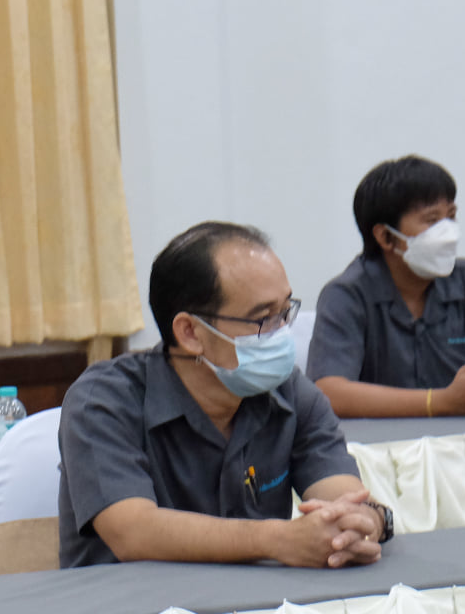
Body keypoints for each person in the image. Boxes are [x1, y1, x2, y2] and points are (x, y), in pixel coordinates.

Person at [59, 222, 393, 569]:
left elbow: (343, 497)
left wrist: (362, 522)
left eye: (285, 311)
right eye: (264, 319)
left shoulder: (289, 392)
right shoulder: (103, 400)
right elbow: (133, 531)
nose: (281, 333)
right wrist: (277, 539)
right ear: (190, 333)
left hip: (254, 611)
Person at [307, 155, 465, 417]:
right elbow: (329, 392)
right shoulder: (346, 295)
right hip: (382, 449)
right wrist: (440, 402)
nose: (447, 232)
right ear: (386, 237)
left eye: (451, 217)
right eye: (432, 220)